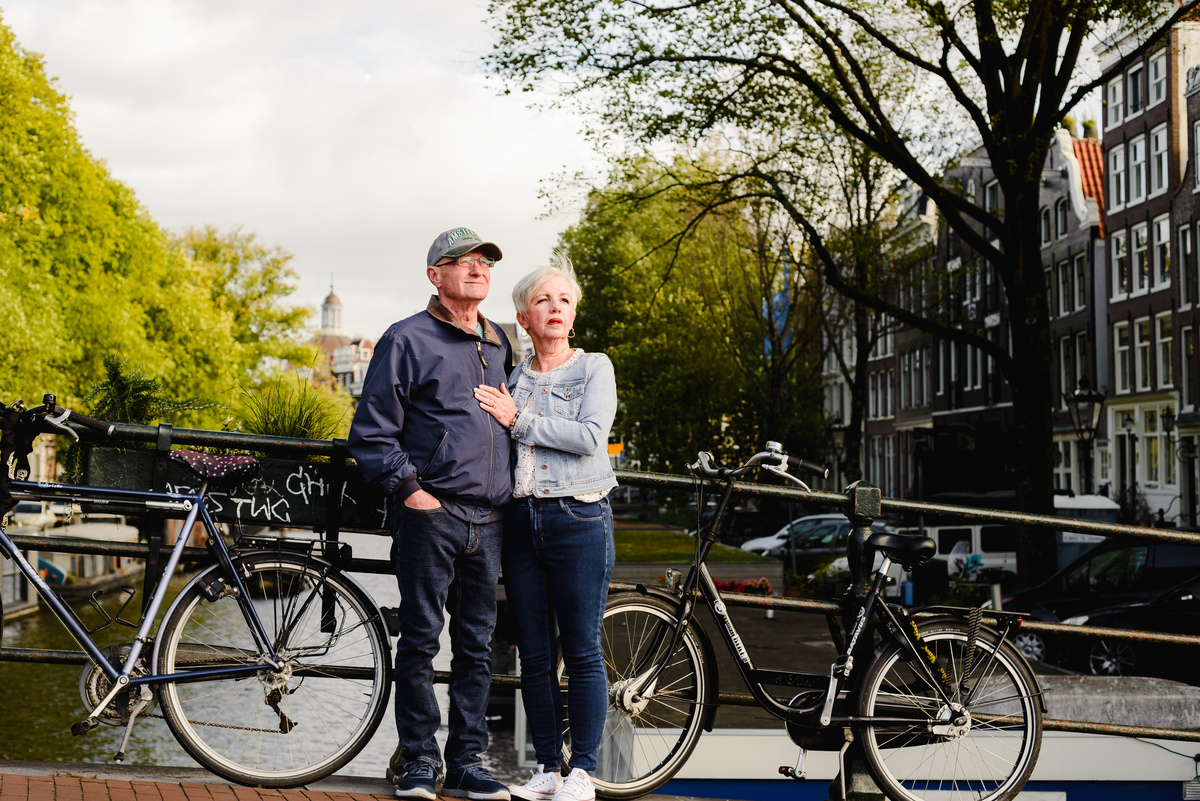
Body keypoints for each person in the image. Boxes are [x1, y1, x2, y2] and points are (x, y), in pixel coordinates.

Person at [349, 227, 514, 801]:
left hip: (490, 520)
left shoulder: (499, 345)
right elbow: (371, 433)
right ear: (434, 275)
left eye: (484, 263)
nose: (477, 270)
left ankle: (467, 760)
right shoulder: (406, 338)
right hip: (431, 515)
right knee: (419, 640)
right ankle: (419, 760)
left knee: (477, 646)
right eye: (461, 262)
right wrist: (412, 491)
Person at [473, 254, 618, 801]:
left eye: (564, 300)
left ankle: (582, 770)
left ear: (573, 315)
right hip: (521, 518)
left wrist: (519, 420)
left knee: (580, 648)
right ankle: (547, 769)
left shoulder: (593, 368)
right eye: (543, 301)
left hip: (578, 516)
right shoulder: (511, 376)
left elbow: (589, 437)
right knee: (532, 653)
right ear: (523, 318)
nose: (555, 308)